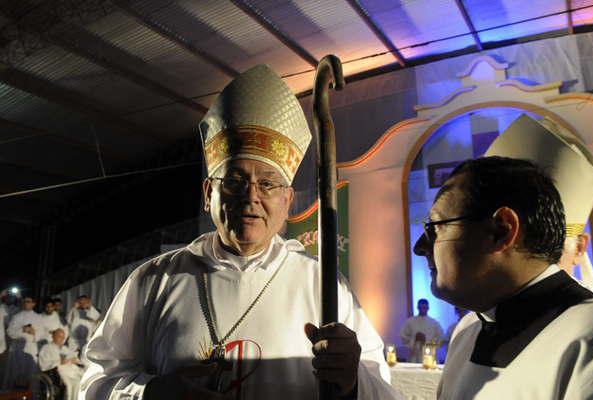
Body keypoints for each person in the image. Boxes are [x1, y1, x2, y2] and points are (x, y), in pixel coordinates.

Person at [79, 64, 399, 400]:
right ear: (207, 194)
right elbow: (94, 385)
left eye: (267, 183)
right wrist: (154, 393)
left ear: (287, 200)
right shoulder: (153, 281)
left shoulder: (323, 286)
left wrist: (352, 381)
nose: (251, 197)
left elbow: (382, 390)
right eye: (234, 181)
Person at [413, 156, 593, 399]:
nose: (419, 247)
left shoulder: (591, 340)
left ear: (501, 230)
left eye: (436, 227)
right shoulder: (467, 330)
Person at [485, 114, 593, 294]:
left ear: (579, 247)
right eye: (516, 248)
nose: (529, 267)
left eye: (548, 252)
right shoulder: (475, 322)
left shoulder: (592, 319)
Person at [3, 296, 44, 389]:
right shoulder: (17, 316)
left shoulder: (38, 317)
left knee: (31, 372)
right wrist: (22, 329)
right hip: (17, 346)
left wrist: (34, 333)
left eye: (29, 301)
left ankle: (31, 394)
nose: (26, 303)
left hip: (31, 347)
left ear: (34, 303)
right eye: (25, 301)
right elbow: (10, 332)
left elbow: (41, 333)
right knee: (15, 371)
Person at [39, 328, 83, 400]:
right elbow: (44, 364)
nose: (62, 339)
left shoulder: (64, 348)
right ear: (53, 336)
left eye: (63, 337)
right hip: (56, 373)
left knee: (78, 383)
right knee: (68, 385)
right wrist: (60, 362)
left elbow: (72, 357)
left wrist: (74, 360)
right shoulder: (46, 348)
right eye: (59, 337)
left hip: (69, 371)